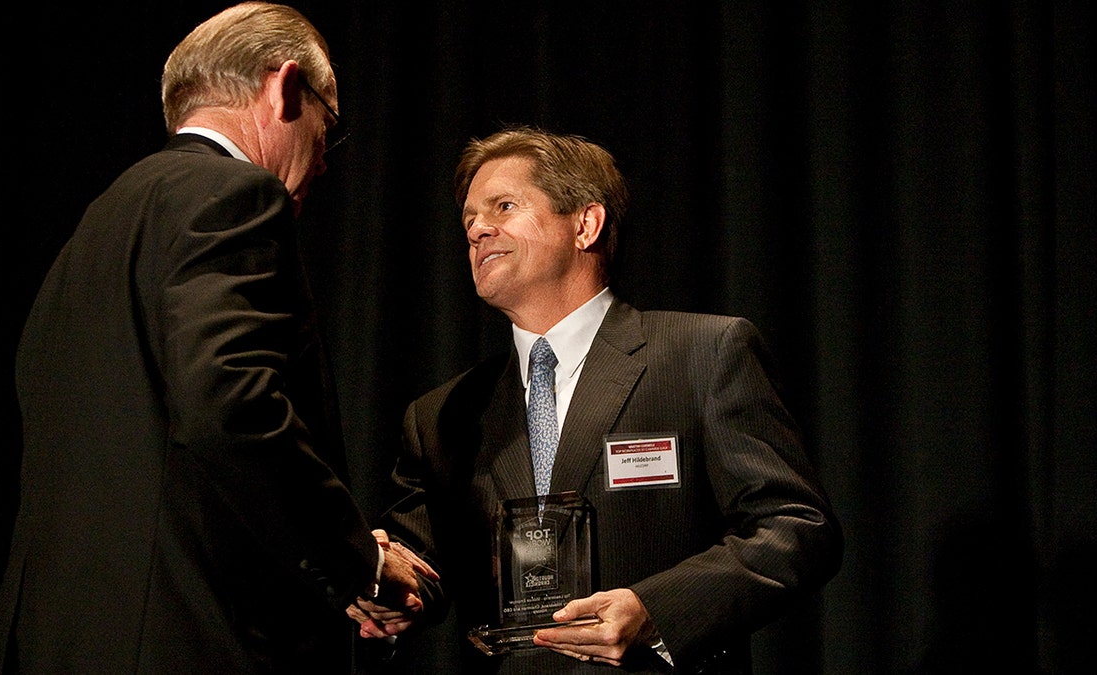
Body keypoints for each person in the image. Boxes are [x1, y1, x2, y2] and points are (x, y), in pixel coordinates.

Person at [0, 3, 434, 673]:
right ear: (283, 87)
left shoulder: (96, 224)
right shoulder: (234, 194)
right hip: (186, 643)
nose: (323, 162)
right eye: (327, 126)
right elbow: (229, 406)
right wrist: (359, 557)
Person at [351, 126, 844, 673]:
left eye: (504, 206)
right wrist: (381, 581)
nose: (477, 230)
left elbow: (795, 528)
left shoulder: (703, 354)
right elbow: (419, 569)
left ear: (585, 224)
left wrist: (655, 610)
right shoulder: (442, 414)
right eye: (469, 218)